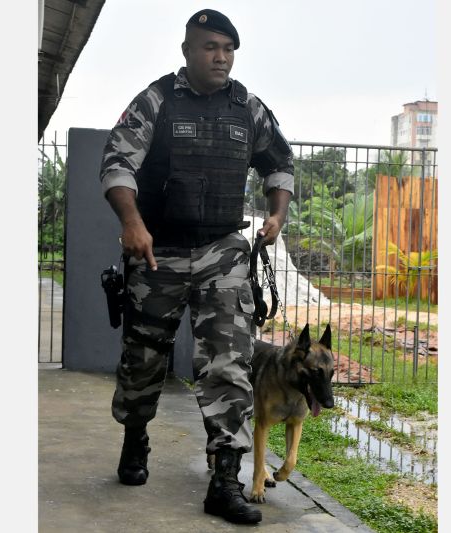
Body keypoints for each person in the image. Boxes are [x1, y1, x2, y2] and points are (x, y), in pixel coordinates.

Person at [99, 8, 294, 525]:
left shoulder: (247, 107)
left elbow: (279, 163)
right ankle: (136, 436)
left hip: (222, 252)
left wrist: (276, 215)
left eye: (228, 48)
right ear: (188, 50)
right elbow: (118, 163)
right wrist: (132, 222)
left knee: (230, 362)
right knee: (143, 361)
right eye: (210, 46)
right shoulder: (157, 101)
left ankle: (225, 480)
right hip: (156, 250)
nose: (221, 57)